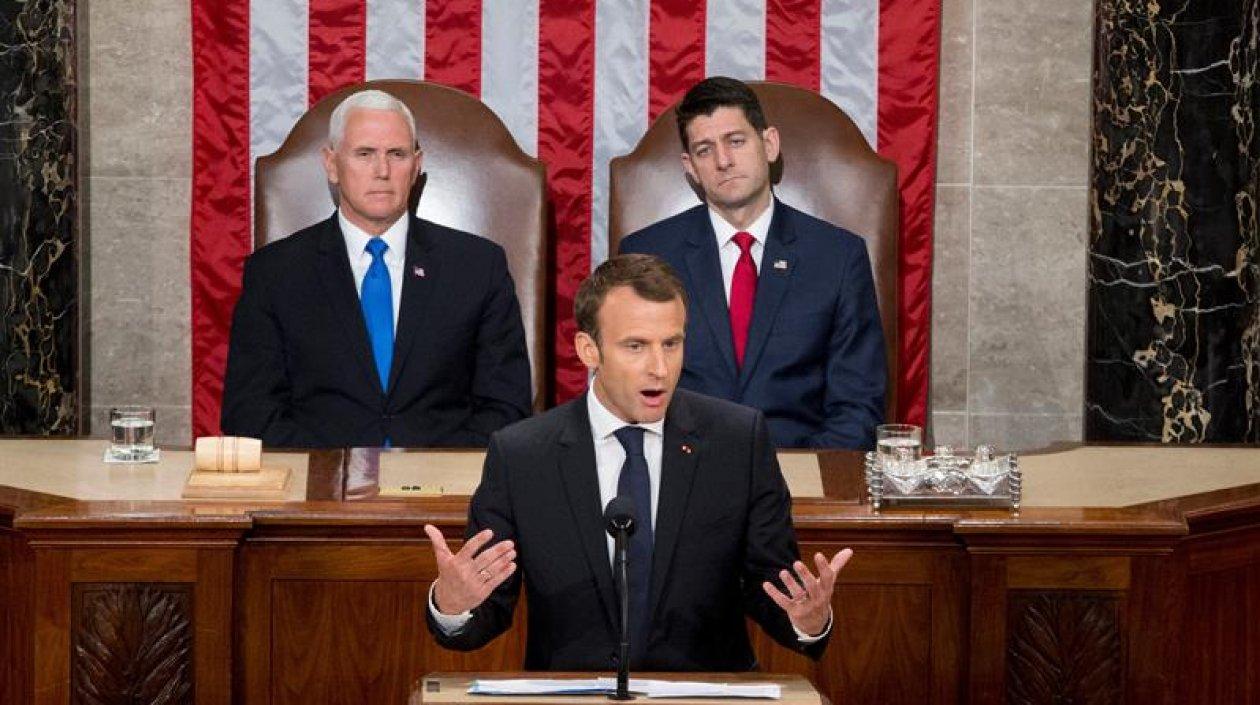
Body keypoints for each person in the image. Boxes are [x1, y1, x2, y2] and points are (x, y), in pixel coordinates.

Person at [422, 254, 852, 671]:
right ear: (589, 350)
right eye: (636, 346)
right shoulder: (522, 455)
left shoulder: (738, 440)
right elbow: (486, 615)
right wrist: (453, 604)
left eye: (672, 343)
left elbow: (774, 592)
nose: (659, 368)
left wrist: (808, 621)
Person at [221, 89, 531, 447]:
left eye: (396, 154)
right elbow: (251, 412)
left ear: (416, 166)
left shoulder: (478, 267)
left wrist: (436, 477)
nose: (382, 171)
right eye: (364, 153)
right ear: (332, 164)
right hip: (320, 487)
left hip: (443, 489)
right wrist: (332, 477)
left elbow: (505, 406)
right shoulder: (275, 273)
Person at [619, 76, 886, 450]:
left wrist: (802, 484)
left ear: (769, 144)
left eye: (736, 141)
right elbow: (625, 393)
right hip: (680, 474)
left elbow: (857, 406)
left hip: (800, 475)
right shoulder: (646, 254)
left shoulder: (837, 257)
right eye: (704, 150)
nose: (723, 161)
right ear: (690, 166)